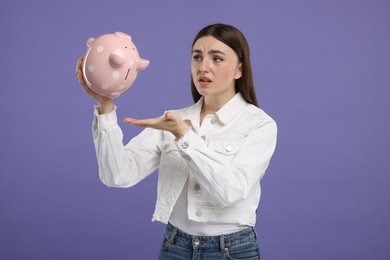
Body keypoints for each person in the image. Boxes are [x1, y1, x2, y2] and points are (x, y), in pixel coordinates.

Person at [76, 23, 277, 260]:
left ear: (239, 70)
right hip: (175, 247)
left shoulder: (259, 125)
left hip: (231, 250)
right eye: (197, 57)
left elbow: (231, 191)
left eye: (217, 59)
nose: (203, 67)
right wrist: (106, 106)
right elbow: (117, 175)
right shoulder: (174, 120)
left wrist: (184, 136)